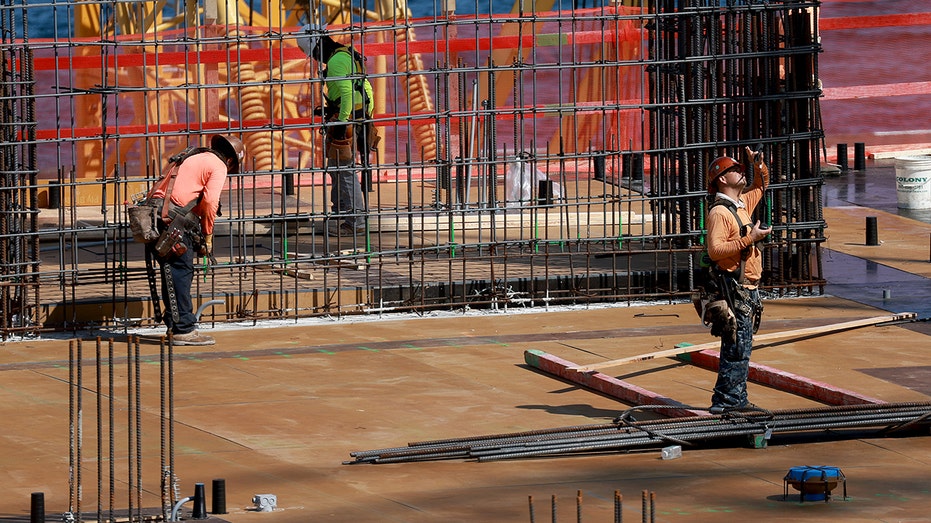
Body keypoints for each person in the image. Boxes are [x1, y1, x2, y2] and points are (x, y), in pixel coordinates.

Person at [146, 134, 245, 346]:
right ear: (230, 160)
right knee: (181, 272)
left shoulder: (193, 155)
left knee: (171, 272)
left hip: (155, 216)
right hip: (173, 221)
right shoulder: (218, 165)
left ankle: (175, 324)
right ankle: (184, 329)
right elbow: (210, 202)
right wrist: (208, 235)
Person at [704, 146, 771, 413]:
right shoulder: (720, 213)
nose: (741, 172)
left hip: (746, 289)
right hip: (735, 289)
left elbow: (761, 185)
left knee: (741, 347)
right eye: (735, 169)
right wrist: (749, 239)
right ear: (722, 178)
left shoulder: (740, 204)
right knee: (736, 347)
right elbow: (715, 250)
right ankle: (729, 401)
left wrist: (757, 164)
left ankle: (733, 399)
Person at [296, 23, 376, 236]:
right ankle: (340, 211)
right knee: (336, 166)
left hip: (347, 120)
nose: (316, 59)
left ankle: (355, 221)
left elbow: (348, 93)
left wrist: (342, 122)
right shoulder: (347, 54)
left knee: (345, 169)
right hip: (356, 116)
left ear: (317, 46)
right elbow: (365, 87)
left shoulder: (336, 61)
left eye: (314, 54)